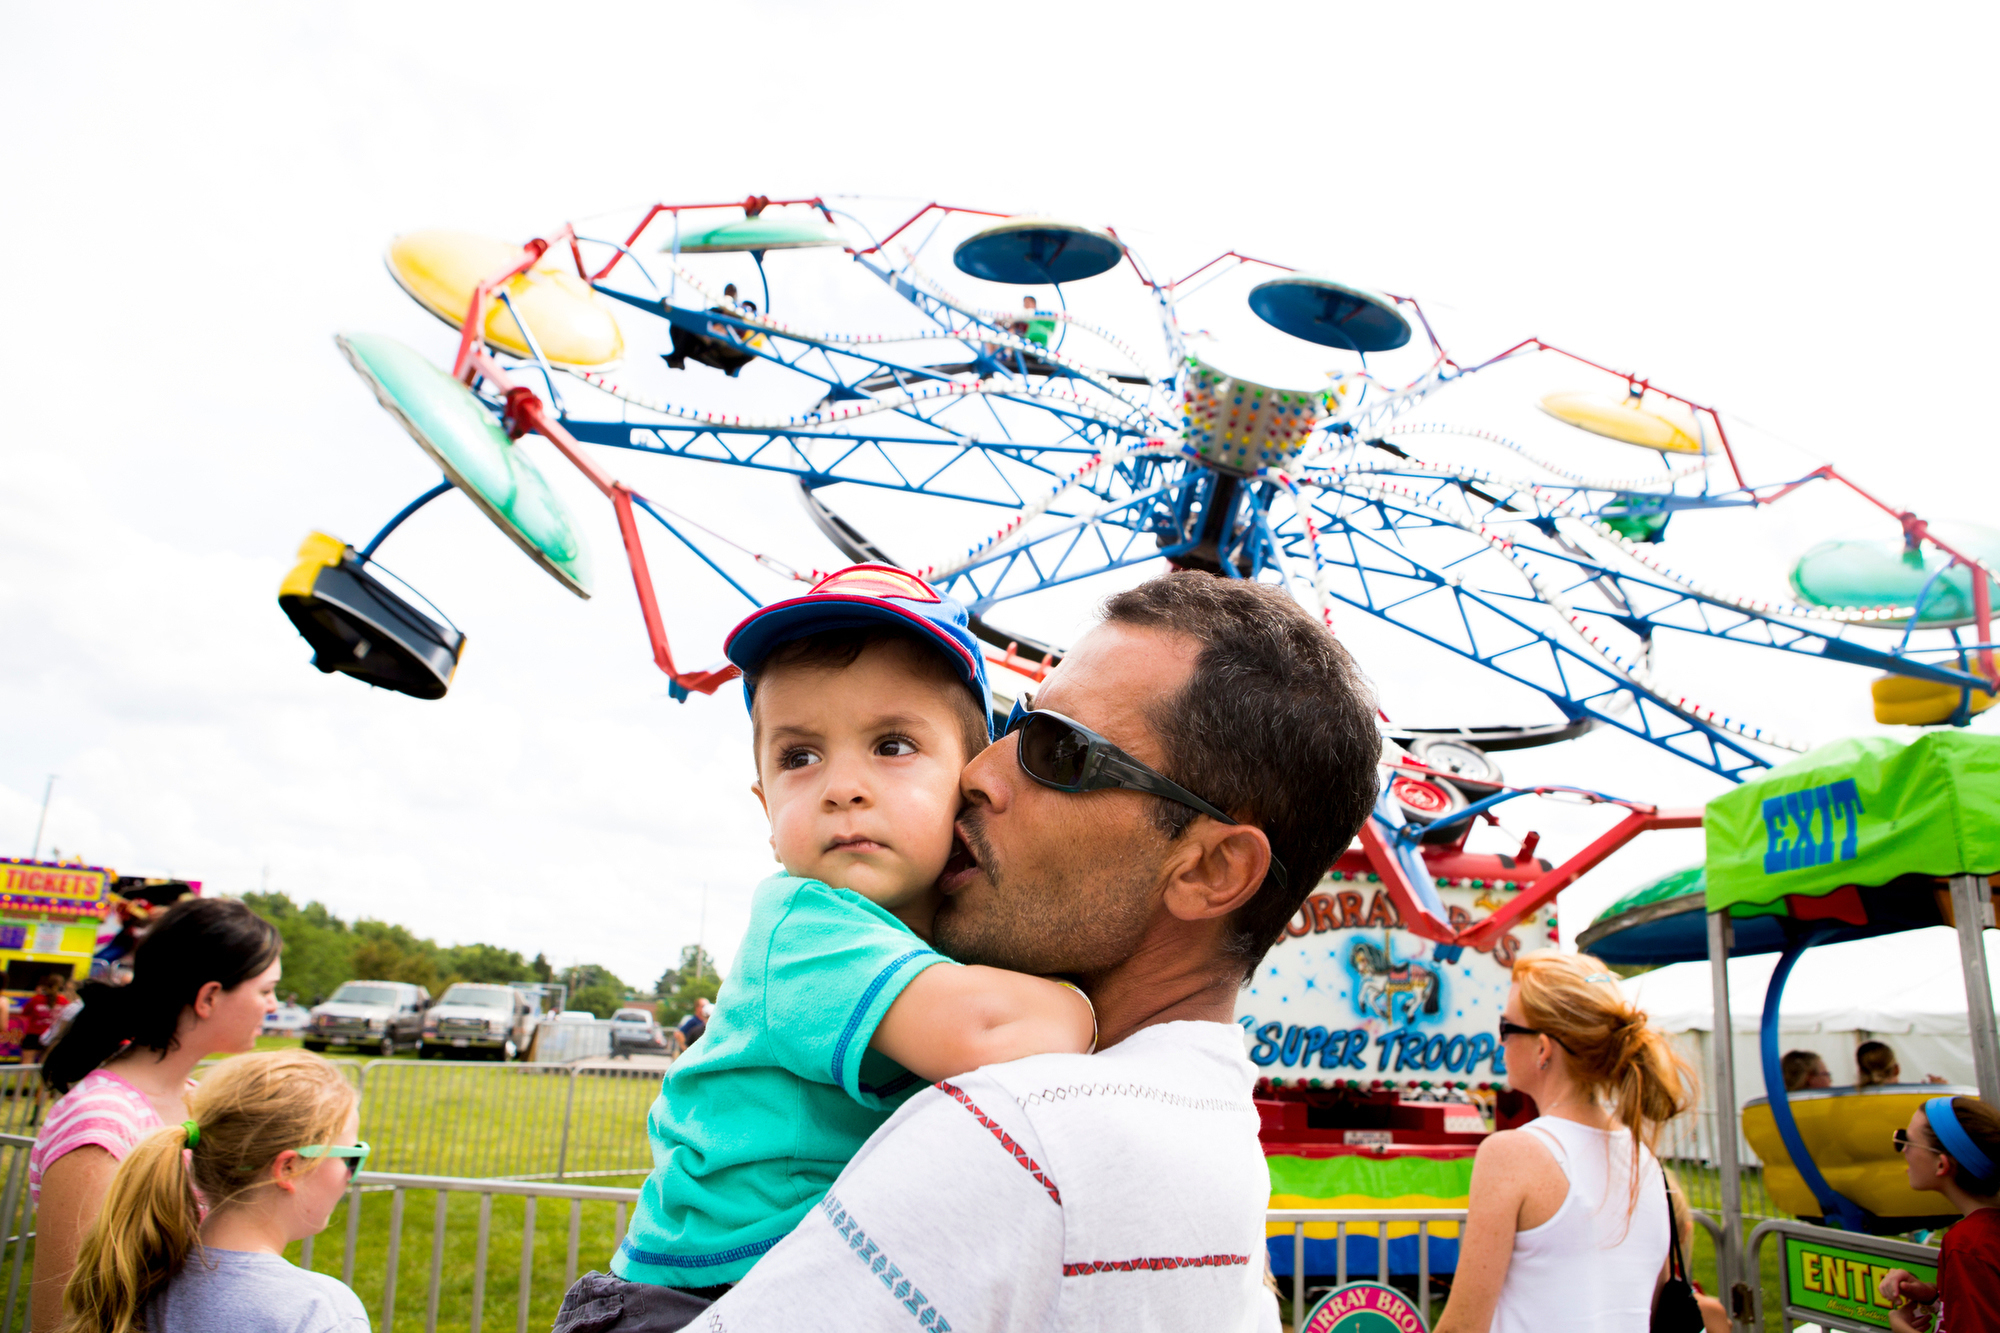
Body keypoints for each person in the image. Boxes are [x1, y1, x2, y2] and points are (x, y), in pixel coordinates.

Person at [683, 571, 1382, 1332]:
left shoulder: (1019, 1136)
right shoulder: (1218, 1135)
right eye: (1015, 722)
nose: (978, 773)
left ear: (1211, 868)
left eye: (1058, 751)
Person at [557, 565, 1099, 1326]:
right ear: (765, 806)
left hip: (818, 1281)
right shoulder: (805, 923)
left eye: (893, 744)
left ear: (972, 782)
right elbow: (990, 1031)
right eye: (799, 757)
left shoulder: (950, 939)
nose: (842, 785)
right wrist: (1101, 1001)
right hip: (696, 1297)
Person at [29, 896, 282, 1331]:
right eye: (264, 990)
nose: (274, 1005)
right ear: (209, 997)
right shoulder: (100, 1123)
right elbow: (65, 1315)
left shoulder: (195, 1099)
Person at [1431, 950, 1696, 1333]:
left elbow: (1462, 1327)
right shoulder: (1646, 1162)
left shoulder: (1513, 1154)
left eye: (1506, 1027)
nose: (1499, 1041)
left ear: (1543, 1048)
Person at [56, 1048, 369, 1333]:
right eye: (352, 1157)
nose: (350, 1176)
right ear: (289, 1168)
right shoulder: (319, 1312)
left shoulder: (138, 1277)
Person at [1878, 1095, 2000, 1333]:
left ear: (1942, 1165)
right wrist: (1934, 1298)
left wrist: (1903, 1330)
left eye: (1907, 1141)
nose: (1902, 1150)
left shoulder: (1968, 1246)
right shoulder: (1982, 1234)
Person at [1859, 1040, 1948, 1088]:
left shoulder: (1847, 1099)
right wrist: (1939, 1091)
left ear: (1861, 1070)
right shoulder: (1922, 1103)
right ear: (1896, 1069)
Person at [21, 973, 64, 1066]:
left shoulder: (37, 999)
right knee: (44, 1064)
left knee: (26, 1063)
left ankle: (22, 1081)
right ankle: (39, 1081)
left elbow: (25, 1012)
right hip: (51, 1036)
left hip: (33, 1035)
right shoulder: (63, 1001)